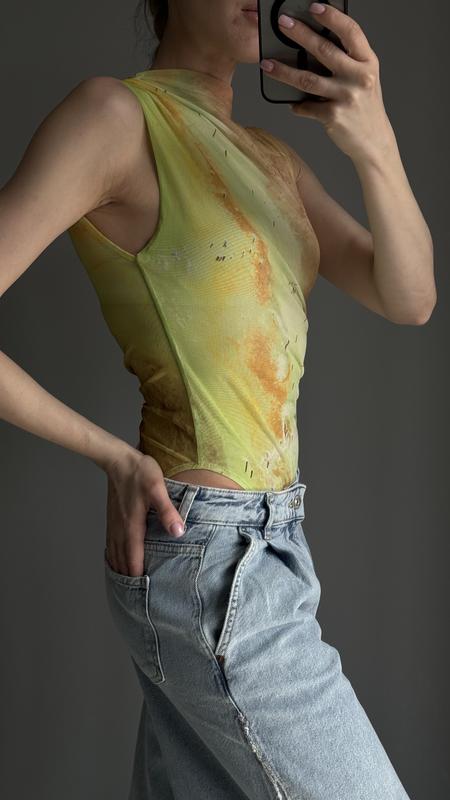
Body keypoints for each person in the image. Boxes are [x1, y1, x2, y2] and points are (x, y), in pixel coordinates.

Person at [0, 1, 434, 797]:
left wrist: (374, 142)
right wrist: (110, 455)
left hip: (276, 548)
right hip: (206, 555)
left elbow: (409, 297)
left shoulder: (273, 159)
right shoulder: (116, 117)